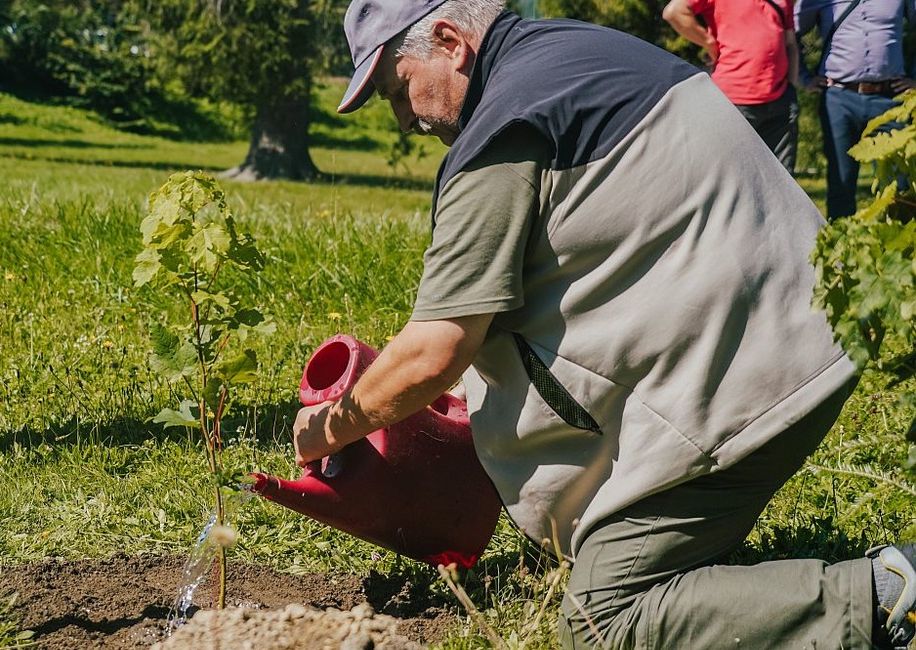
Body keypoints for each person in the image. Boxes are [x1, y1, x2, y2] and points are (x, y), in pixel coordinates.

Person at [292, 0, 916, 647]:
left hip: (764, 379)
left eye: (399, 91)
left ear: (449, 42)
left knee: (602, 622)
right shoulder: (584, 55)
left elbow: (434, 350)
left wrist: (330, 425)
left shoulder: (502, 132)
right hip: (811, 329)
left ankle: (889, 598)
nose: (405, 120)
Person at [796, 0, 916, 220]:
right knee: (841, 181)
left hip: (890, 100)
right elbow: (786, 32)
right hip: (839, 100)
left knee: (901, 183)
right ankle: (841, 246)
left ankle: (901, 247)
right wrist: (803, 78)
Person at [662, 0, 800, 174]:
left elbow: (790, 44)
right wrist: (709, 42)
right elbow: (674, 12)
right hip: (733, 101)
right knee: (731, 175)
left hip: (781, 102)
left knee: (782, 180)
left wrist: (791, 88)